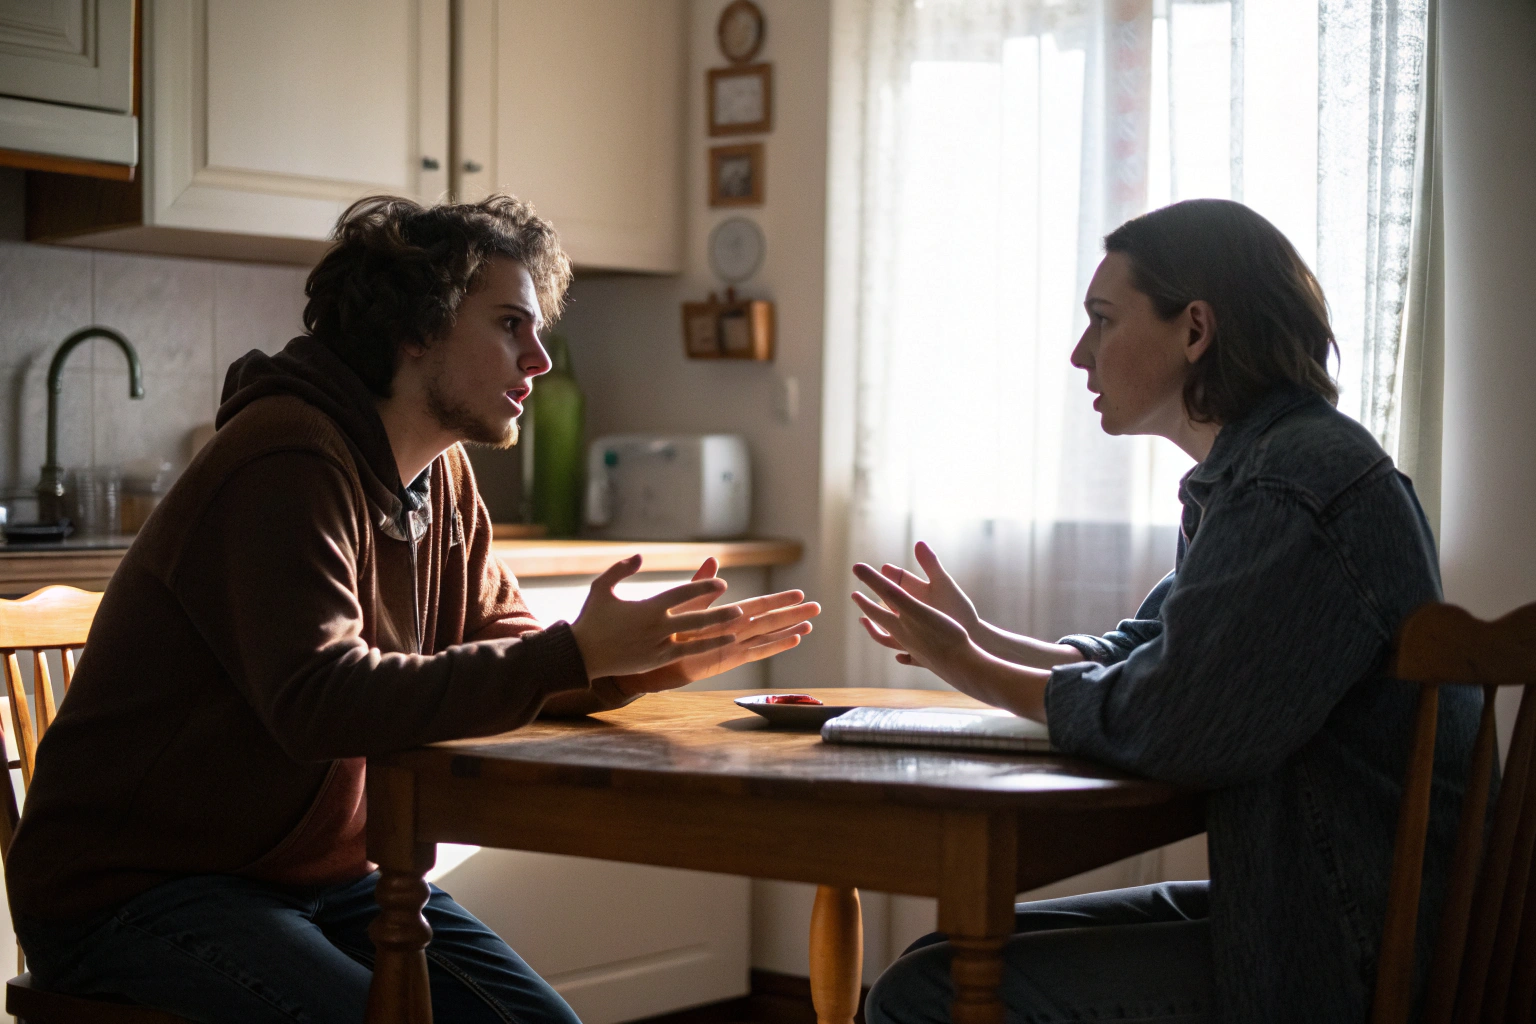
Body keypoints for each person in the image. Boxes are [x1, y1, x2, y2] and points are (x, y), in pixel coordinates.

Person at [5, 194, 820, 1023]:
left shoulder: (442, 477)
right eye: (510, 325)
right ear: (416, 327)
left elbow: (511, 657)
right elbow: (322, 702)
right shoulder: (286, 457)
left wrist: (622, 663)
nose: (538, 360)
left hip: (327, 883)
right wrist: (573, 655)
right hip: (137, 894)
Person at [850, 199, 1476, 1023]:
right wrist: (977, 638)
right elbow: (1148, 656)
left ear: (1196, 330)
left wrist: (968, 666)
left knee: (924, 994)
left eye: (1103, 321)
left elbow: (1179, 722)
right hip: (1308, 902)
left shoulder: (1294, 487)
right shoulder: (1256, 472)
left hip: (1345, 944)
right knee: (937, 958)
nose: (1080, 355)